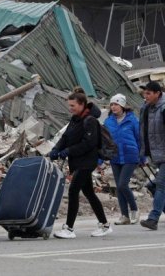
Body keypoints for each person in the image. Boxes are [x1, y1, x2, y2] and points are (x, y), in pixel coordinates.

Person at [50, 87, 112, 239]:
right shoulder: (75, 119)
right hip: (78, 161)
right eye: (69, 105)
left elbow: (88, 143)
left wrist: (69, 151)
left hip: (87, 161)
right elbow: (66, 137)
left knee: (73, 191)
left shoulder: (90, 121)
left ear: (82, 104)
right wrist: (56, 149)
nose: (70, 108)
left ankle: (69, 228)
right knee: (89, 193)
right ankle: (104, 225)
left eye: (73, 106)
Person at [100, 94, 142, 225]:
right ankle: (124, 215)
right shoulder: (108, 122)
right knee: (118, 187)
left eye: (116, 104)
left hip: (130, 155)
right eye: (111, 104)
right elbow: (104, 143)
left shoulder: (132, 120)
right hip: (115, 157)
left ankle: (134, 209)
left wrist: (143, 156)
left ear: (122, 106)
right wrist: (100, 161)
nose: (113, 107)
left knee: (123, 184)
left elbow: (139, 139)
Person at [139, 81, 165, 230]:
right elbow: (143, 131)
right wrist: (142, 153)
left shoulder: (163, 108)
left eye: (149, 93)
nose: (145, 96)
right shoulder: (147, 109)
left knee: (161, 184)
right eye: (145, 93)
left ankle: (153, 219)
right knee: (152, 185)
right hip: (157, 155)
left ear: (157, 93)